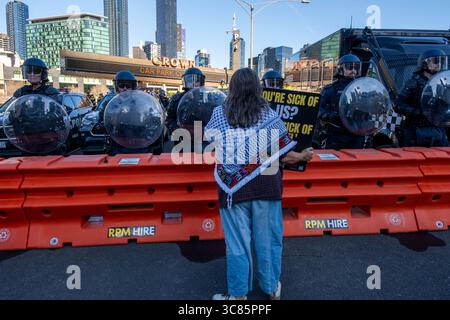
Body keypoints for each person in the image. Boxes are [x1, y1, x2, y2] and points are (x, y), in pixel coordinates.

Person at [205, 68, 314, 301]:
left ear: (232, 88)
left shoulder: (218, 114)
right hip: (266, 187)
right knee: (268, 242)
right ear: (258, 87)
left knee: (237, 245)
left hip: (232, 189)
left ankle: (237, 296)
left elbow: (210, 142)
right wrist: (304, 156)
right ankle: (271, 288)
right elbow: (286, 156)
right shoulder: (269, 115)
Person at [394, 49, 449, 147]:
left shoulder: (443, 83)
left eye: (441, 61)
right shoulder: (414, 82)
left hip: (437, 129)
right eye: (435, 61)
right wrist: (417, 112)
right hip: (416, 129)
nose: (439, 65)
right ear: (425, 64)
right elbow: (398, 105)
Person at [316, 54, 366, 150]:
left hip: (356, 134)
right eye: (349, 67)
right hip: (336, 134)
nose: (353, 71)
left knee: (355, 163)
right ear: (341, 69)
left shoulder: (362, 88)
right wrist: (328, 116)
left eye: (356, 67)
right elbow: (317, 109)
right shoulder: (330, 89)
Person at [166, 67, 206, 136]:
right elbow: (169, 118)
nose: (193, 83)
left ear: (201, 82)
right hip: (182, 136)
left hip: (201, 136)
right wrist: (176, 129)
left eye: (196, 81)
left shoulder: (207, 98)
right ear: (185, 81)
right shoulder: (177, 98)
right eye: (190, 80)